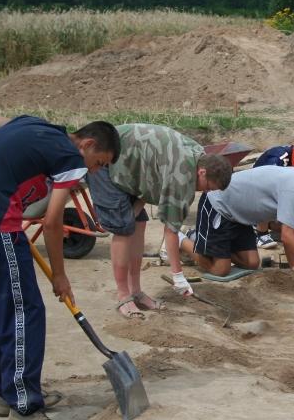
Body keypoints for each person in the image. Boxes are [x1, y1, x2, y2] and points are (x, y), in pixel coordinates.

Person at [0, 113, 120, 420]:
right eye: (99, 162)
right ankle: (24, 409)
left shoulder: (31, 124)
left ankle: (7, 391)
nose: (94, 171)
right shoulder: (70, 157)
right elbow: (53, 222)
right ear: (87, 144)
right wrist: (60, 276)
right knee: (24, 312)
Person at [86, 123, 232, 319]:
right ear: (202, 172)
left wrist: (136, 208)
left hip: (130, 164)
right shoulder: (182, 175)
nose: (204, 192)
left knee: (138, 222)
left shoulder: (198, 154)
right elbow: (171, 232)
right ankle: (123, 296)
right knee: (123, 228)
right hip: (105, 159)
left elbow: (154, 173)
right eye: (207, 187)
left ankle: (136, 291)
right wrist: (178, 277)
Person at [193, 165, 294, 283]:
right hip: (218, 204)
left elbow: (286, 229)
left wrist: (293, 266)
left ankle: (212, 247)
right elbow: (287, 236)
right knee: (221, 270)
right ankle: (188, 240)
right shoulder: (293, 187)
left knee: (251, 263)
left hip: (239, 216)